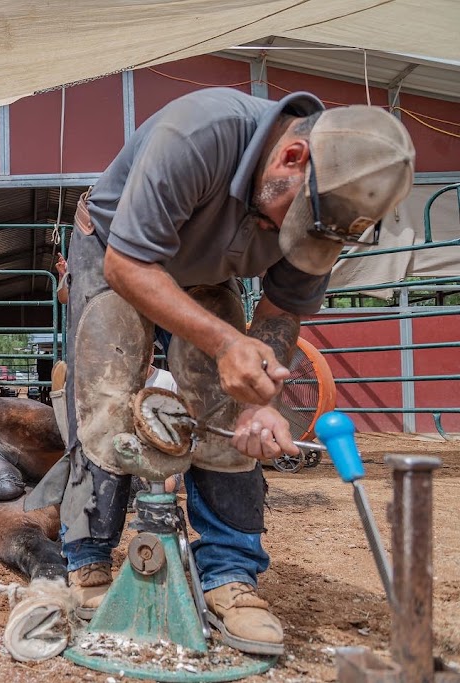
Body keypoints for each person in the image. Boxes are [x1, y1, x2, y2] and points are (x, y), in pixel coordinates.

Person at [27, 88, 414, 654]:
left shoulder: (330, 207)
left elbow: (281, 313)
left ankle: (229, 573)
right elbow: (129, 263)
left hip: (208, 268)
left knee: (228, 411)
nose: (297, 240)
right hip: (118, 250)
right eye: (296, 223)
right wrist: (227, 340)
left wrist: (260, 401)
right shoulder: (197, 134)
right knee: (105, 399)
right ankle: (88, 560)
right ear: (292, 157)